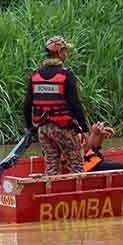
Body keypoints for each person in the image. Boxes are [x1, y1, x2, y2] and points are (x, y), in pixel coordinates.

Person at [23, 36, 90, 176]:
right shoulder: (66, 75)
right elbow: (75, 104)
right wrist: (84, 128)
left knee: (52, 166)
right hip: (63, 128)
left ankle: (51, 188)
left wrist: (30, 127)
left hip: (43, 130)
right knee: (76, 165)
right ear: (60, 53)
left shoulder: (35, 75)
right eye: (65, 51)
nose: (66, 54)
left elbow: (27, 104)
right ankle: (77, 189)